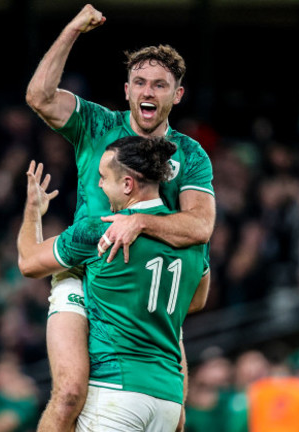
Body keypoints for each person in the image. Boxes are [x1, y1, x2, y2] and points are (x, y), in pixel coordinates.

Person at [26, 4, 216, 430]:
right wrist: (74, 28)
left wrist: (141, 222)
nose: (148, 92)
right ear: (127, 89)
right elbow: (38, 96)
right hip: (84, 270)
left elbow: (201, 226)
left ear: (177, 94)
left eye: (160, 85)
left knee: (177, 410)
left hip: (144, 287)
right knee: (71, 392)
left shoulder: (191, 154)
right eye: (140, 83)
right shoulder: (97, 124)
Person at [17, 135, 210, 431]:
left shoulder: (101, 230)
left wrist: (33, 211)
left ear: (128, 184)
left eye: (104, 177)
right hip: (168, 402)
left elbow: (29, 262)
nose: (99, 185)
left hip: (116, 393)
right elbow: (196, 300)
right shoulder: (191, 239)